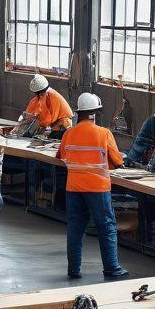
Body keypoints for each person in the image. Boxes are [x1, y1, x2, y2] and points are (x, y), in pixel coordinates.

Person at [57, 93, 129, 280]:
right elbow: (118, 161)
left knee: (75, 228)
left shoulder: (68, 133)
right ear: (94, 114)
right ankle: (112, 269)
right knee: (106, 227)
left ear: (79, 114)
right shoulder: (104, 133)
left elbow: (61, 156)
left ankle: (73, 270)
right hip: (97, 188)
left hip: (73, 187)